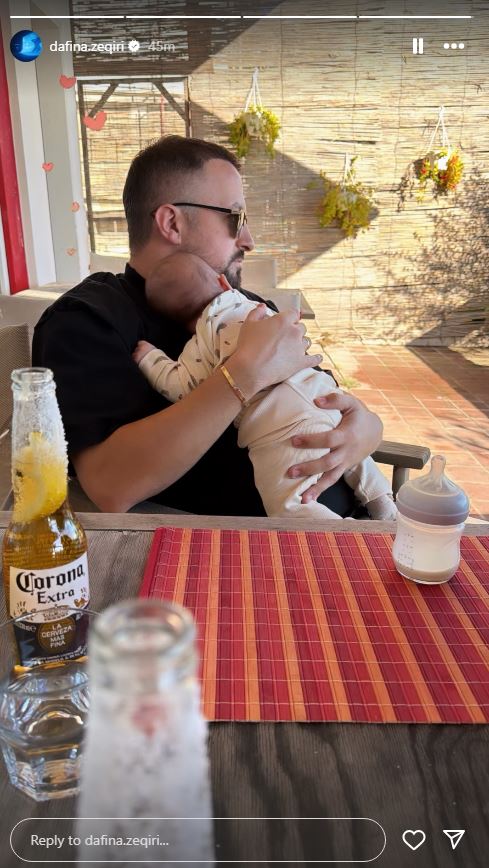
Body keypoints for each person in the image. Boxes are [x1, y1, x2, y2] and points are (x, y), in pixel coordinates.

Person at [32, 135, 383, 515]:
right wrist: (243, 374)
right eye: (236, 218)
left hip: (365, 519)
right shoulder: (88, 320)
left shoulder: (246, 306)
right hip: (257, 544)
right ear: (172, 222)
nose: (249, 239)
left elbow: (323, 391)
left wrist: (366, 428)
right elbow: (109, 484)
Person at [133, 252, 396, 520]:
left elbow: (180, 386)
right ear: (224, 282)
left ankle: (347, 537)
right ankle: (384, 505)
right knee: (353, 458)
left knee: (290, 506)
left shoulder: (203, 340)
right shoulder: (256, 308)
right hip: (326, 399)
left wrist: (150, 358)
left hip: (284, 424)